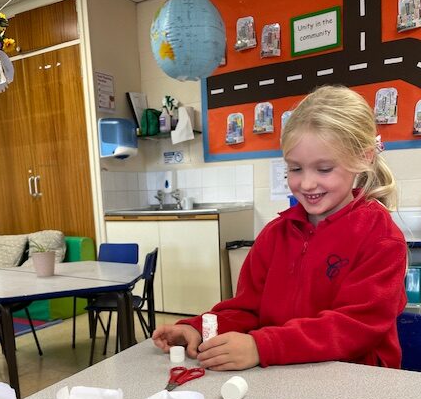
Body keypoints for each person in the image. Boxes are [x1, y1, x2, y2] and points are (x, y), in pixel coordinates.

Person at [152, 85, 407, 370]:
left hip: (356, 384)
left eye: (324, 169)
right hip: (282, 377)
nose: (307, 183)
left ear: (365, 158)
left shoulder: (381, 239)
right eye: (295, 169)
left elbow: (354, 328)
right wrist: (200, 328)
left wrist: (262, 346)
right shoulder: (275, 235)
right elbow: (247, 308)